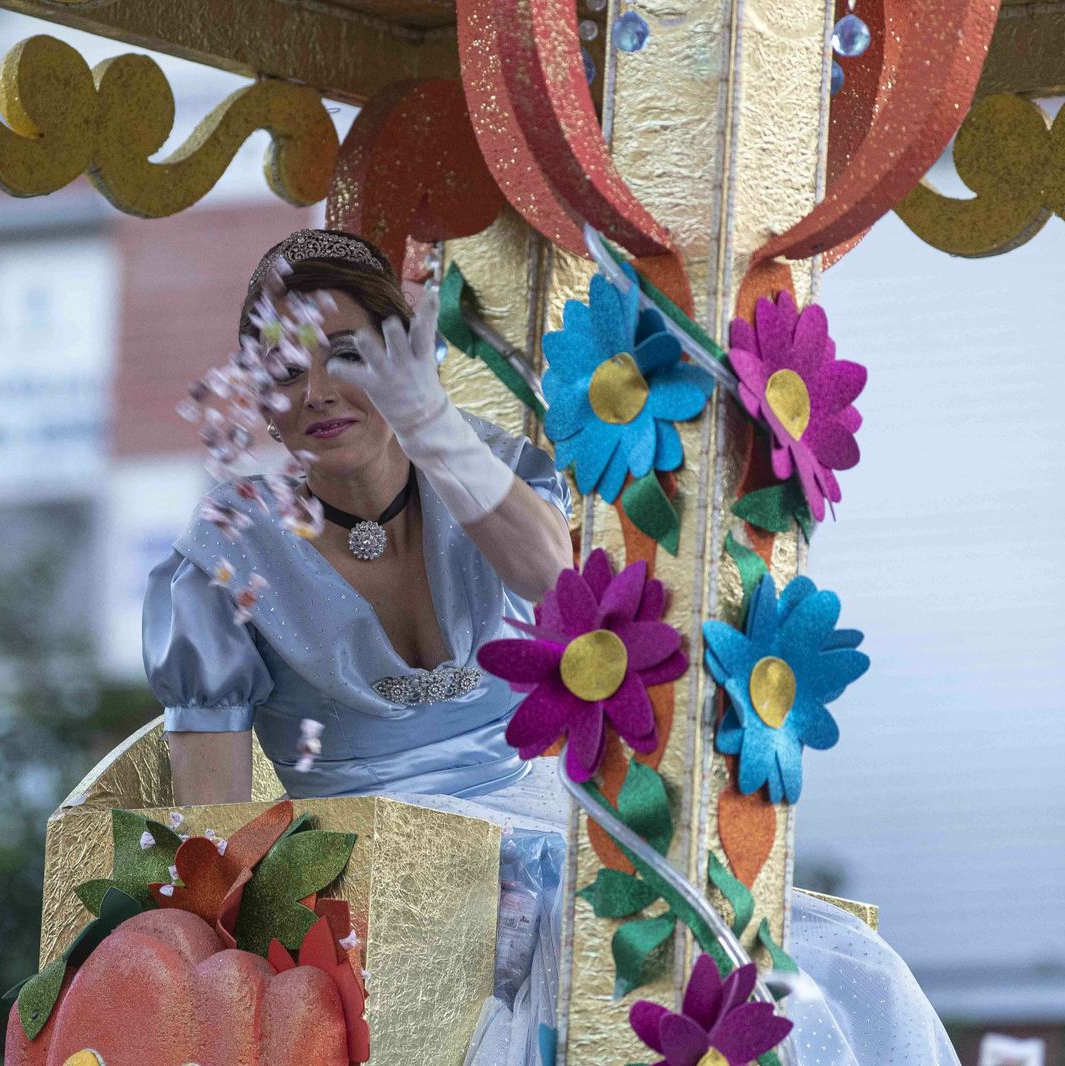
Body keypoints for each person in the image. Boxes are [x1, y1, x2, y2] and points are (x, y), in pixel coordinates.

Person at [142, 229, 958, 1065]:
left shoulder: (489, 467)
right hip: (381, 884)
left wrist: (431, 424)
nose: (316, 390)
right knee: (598, 981)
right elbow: (215, 835)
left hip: (544, 839)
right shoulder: (224, 552)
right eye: (282, 371)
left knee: (803, 971)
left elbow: (552, 581)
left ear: (401, 354)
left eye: (347, 355)